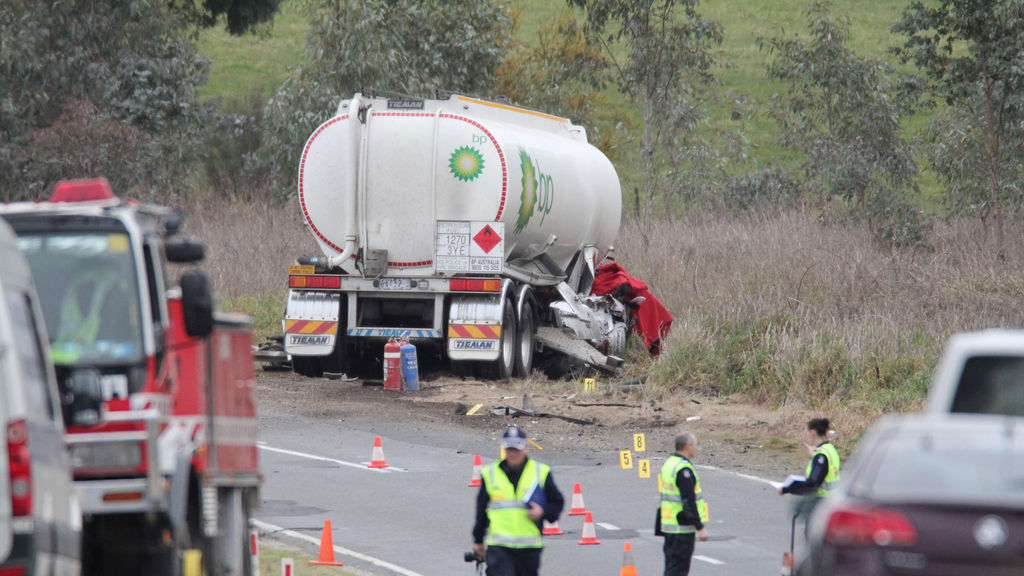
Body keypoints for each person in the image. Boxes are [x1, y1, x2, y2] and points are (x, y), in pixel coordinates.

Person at [472, 425, 564, 576]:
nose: (513, 454)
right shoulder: (491, 474)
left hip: (528, 549)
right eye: (509, 449)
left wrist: (543, 512)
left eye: (517, 449)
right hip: (499, 547)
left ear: (526, 448)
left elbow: (557, 503)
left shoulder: (540, 472)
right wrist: (478, 539)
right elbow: (481, 509)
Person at [659, 432, 709, 576]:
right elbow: (688, 501)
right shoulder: (683, 469)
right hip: (682, 528)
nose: (696, 448)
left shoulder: (669, 464)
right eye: (695, 445)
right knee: (678, 571)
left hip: (669, 526)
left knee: (671, 568)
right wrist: (700, 527)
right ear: (687, 446)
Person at [778, 418, 840, 500]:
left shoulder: (821, 455)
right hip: (831, 498)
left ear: (812, 432)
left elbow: (813, 483)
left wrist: (786, 489)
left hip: (819, 499)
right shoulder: (830, 449)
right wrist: (814, 456)